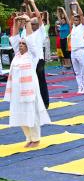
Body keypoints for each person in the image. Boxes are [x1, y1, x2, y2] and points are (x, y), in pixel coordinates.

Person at [5, 14, 51, 148]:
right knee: (19, 114)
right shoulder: (17, 55)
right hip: (17, 91)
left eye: (23, 44)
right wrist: (15, 22)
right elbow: (14, 38)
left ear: (28, 46)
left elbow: (30, 39)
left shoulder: (32, 55)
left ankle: (36, 138)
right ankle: (29, 138)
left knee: (31, 113)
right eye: (20, 44)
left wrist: (27, 22)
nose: (20, 45)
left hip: (30, 90)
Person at [24, 0, 49, 109]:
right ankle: (35, 102)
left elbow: (38, 17)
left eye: (33, 23)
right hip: (29, 60)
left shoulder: (41, 31)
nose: (31, 24)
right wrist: (27, 5)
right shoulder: (28, 31)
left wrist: (33, 3)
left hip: (38, 60)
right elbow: (30, 17)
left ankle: (44, 103)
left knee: (40, 82)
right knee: (32, 82)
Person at [69, 2, 84, 94]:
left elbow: (81, 15)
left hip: (80, 50)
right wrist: (70, 8)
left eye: (77, 20)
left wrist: (77, 5)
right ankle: (79, 87)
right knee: (77, 71)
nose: (75, 21)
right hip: (73, 51)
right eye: (75, 20)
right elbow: (72, 16)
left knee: (83, 70)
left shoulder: (82, 26)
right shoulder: (73, 27)